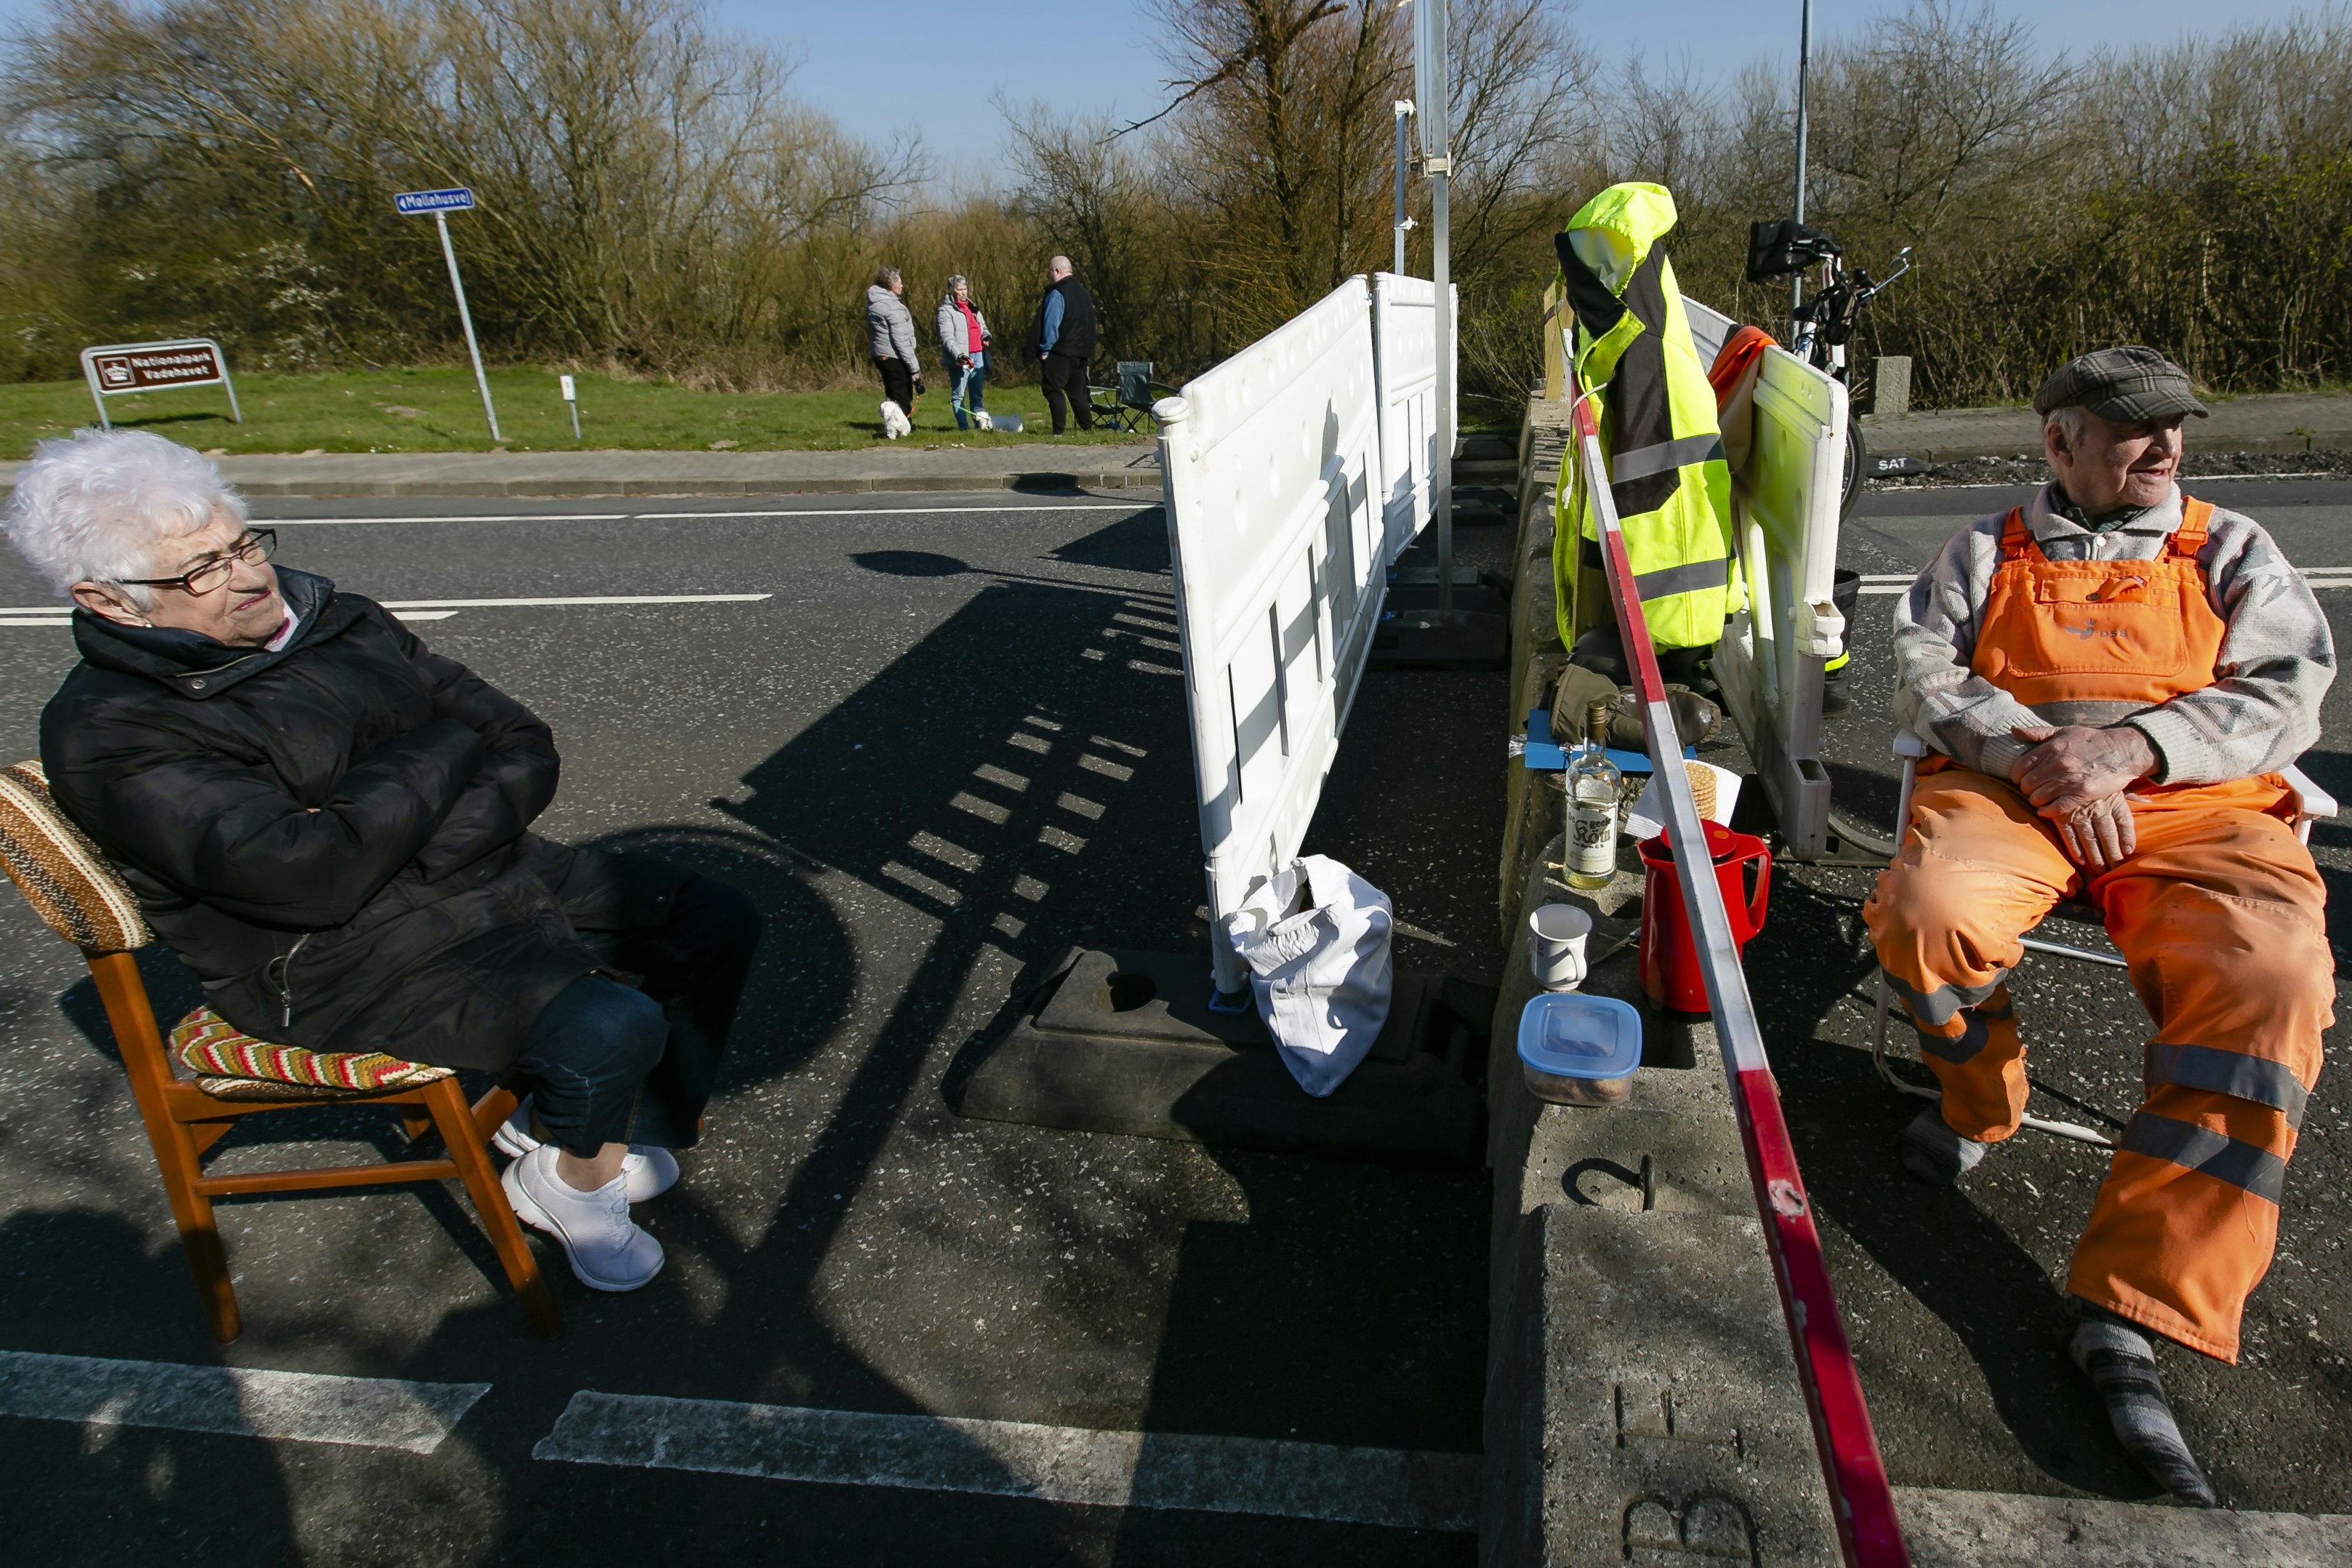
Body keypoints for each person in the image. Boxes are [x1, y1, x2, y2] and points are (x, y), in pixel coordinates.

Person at [4, 429, 764, 1295]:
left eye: (243, 542)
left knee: (714, 919)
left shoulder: (336, 619)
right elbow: (310, 875)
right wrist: (445, 743)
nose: (249, 577)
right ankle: (570, 1182)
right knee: (608, 1025)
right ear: (108, 600)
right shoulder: (111, 730)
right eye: (199, 572)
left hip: (478, 870)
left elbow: (521, 740)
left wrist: (406, 836)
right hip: (330, 960)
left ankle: (598, 1127)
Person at [1865, 346, 2335, 1506]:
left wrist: (2130, 750)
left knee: (2271, 983)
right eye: (2130, 428)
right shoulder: (1981, 549)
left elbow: (2289, 689)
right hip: (2017, 787)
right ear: (2056, 442)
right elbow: (1923, 672)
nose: (2163, 447)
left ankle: (2137, 1301)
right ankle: (1983, 1100)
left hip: (2194, 805)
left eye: (2173, 425)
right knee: (1925, 915)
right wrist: (2041, 756)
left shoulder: (2228, 549)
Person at [1031, 254, 1096, 434]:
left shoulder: (1057, 293)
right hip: (1081, 351)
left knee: (1052, 389)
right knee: (1077, 393)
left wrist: (1045, 349)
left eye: (1050, 271)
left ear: (1057, 271)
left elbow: (1052, 322)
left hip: (1061, 351)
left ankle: (1058, 430)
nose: (1049, 275)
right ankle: (1087, 427)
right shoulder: (1084, 293)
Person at [865, 266, 924, 439]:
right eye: (899, 282)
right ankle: (903, 430)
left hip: (880, 355)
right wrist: (914, 368)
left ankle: (893, 426)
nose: (903, 285)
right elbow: (901, 341)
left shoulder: (874, 303)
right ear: (891, 285)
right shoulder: (892, 307)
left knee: (892, 394)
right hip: (894, 356)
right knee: (902, 396)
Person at [936, 275, 992, 432]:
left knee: (976, 395)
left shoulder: (973, 307)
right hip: (962, 359)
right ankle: (963, 428)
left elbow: (983, 327)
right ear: (952, 291)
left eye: (965, 289)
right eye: (959, 289)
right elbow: (947, 337)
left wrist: (986, 337)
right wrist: (959, 355)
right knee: (958, 395)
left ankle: (980, 425)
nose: (963, 293)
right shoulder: (945, 311)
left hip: (978, 355)